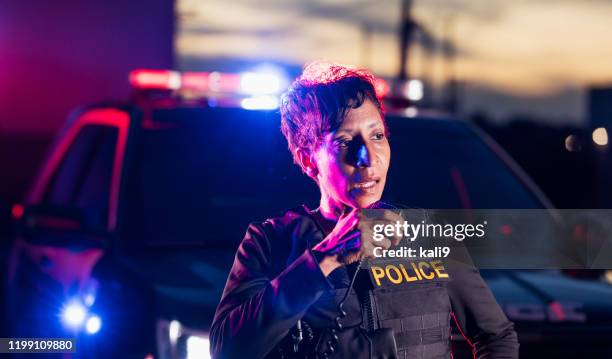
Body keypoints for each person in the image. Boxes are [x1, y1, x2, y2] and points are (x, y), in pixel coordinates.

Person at [210, 62, 519, 358]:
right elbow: (227, 349)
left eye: (377, 135)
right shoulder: (269, 242)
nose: (368, 158)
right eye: (345, 142)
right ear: (308, 160)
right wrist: (324, 258)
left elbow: (496, 336)